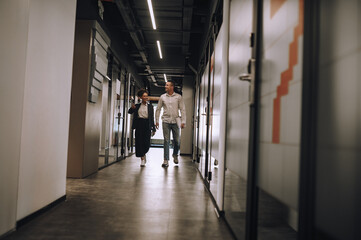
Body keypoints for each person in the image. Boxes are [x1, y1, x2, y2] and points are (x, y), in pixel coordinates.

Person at [155, 80, 186, 167]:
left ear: (172, 87)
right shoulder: (162, 97)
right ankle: (166, 160)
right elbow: (158, 109)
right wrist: (156, 120)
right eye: (165, 85)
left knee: (177, 141)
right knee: (166, 140)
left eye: (167, 85)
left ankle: (175, 155)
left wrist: (183, 121)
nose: (165, 86)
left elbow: (182, 109)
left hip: (176, 121)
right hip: (165, 121)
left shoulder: (178, 97)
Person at [128, 89, 156, 167]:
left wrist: (153, 129)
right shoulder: (137, 106)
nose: (146, 97)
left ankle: (144, 153)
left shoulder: (150, 107)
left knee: (146, 143)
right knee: (139, 142)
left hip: (147, 124)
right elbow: (129, 112)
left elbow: (152, 118)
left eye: (146, 96)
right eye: (144, 96)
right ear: (140, 97)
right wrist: (132, 108)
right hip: (139, 124)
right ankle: (142, 159)